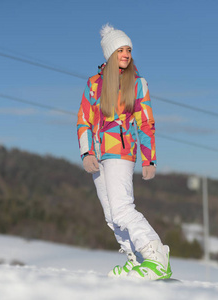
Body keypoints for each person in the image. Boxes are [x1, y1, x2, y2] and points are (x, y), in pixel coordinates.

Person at [76, 24, 172, 281]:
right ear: (110, 53)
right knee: (110, 214)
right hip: (97, 155)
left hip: (121, 151)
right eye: (121, 49)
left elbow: (146, 123)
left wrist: (148, 158)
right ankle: (136, 259)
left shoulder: (137, 84)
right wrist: (86, 153)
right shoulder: (94, 85)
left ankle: (155, 256)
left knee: (121, 209)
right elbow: (83, 120)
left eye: (129, 49)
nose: (126, 54)